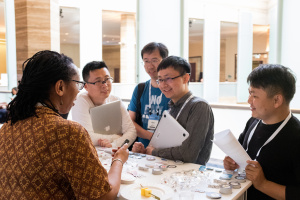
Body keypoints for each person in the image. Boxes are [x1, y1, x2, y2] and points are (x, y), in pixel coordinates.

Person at [0, 50, 129, 200]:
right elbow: (105, 196)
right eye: (78, 84)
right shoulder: (67, 132)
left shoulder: (8, 127)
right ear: (60, 87)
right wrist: (118, 160)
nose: (79, 92)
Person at [223, 64, 300, 200]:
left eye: (254, 95)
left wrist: (263, 184)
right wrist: (231, 163)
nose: (248, 101)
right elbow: (240, 152)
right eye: (249, 93)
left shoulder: (296, 136)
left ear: (277, 100)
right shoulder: (253, 122)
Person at [132, 56, 214, 165]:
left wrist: (154, 152)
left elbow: (188, 154)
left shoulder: (199, 106)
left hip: (190, 177)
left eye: (168, 78)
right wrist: (146, 152)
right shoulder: (172, 106)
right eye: (160, 79)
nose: (163, 85)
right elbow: (165, 146)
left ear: (185, 78)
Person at [72, 61, 136, 148]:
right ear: (86, 86)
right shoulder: (80, 100)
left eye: (107, 79)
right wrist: (116, 137)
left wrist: (113, 145)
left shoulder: (116, 100)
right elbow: (87, 136)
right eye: (98, 81)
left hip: (113, 152)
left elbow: (131, 131)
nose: (105, 85)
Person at [128, 42, 170, 148]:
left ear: (165, 61)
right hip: (141, 150)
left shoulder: (171, 89)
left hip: (166, 150)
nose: (150, 66)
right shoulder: (140, 89)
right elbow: (129, 121)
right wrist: (151, 136)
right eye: (146, 61)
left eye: (154, 61)